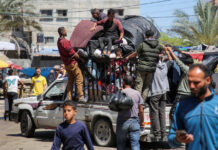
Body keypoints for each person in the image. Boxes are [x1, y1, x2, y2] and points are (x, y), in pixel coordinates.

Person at [168, 64, 218, 150]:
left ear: (208, 80)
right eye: (189, 82)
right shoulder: (182, 105)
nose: (191, 86)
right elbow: (171, 139)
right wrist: (177, 139)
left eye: (196, 82)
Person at [126, 30, 163, 102]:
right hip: (151, 68)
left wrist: (128, 57)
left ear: (146, 36)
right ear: (153, 36)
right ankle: (142, 102)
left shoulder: (142, 44)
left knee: (139, 85)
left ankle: (137, 102)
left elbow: (136, 53)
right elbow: (162, 50)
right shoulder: (158, 45)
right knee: (146, 86)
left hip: (141, 68)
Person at [147, 49, 173, 141]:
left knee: (154, 113)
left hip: (155, 92)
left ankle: (157, 134)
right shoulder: (165, 66)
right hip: (163, 92)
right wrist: (168, 52)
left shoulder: (153, 67)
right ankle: (164, 135)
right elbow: (171, 60)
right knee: (162, 113)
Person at [57, 27, 86, 102]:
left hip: (66, 64)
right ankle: (80, 97)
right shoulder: (64, 41)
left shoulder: (59, 41)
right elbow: (72, 52)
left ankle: (69, 97)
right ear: (63, 32)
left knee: (70, 81)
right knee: (79, 79)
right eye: (65, 31)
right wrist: (80, 58)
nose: (66, 32)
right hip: (72, 63)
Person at [116, 75, 144, 150]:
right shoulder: (137, 93)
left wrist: (119, 91)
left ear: (123, 82)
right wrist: (142, 122)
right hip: (134, 121)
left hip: (122, 121)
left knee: (121, 145)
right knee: (135, 145)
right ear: (132, 83)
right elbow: (141, 110)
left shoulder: (121, 92)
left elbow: (114, 105)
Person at [166, 47, 194, 122]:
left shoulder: (187, 69)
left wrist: (171, 51)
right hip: (190, 95)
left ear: (188, 64)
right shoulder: (195, 71)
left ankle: (175, 129)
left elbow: (178, 61)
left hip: (182, 94)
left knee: (173, 112)